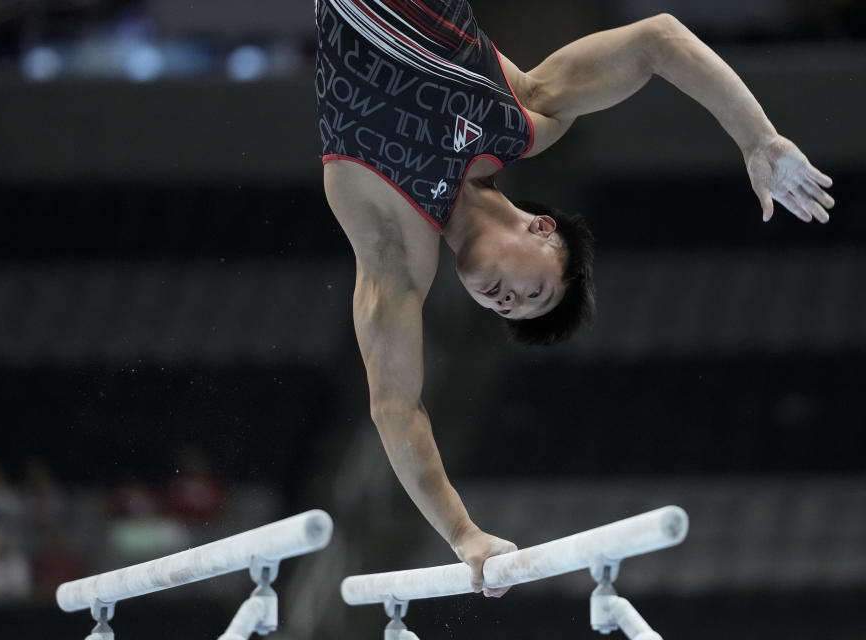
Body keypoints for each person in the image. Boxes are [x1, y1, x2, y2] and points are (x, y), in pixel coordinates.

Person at [315, 0, 834, 597]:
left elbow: (396, 407)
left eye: (507, 308)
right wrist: (757, 138)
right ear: (541, 228)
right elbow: (656, 39)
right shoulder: (525, 117)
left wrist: (465, 536)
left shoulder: (395, 250)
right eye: (533, 290)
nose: (507, 301)